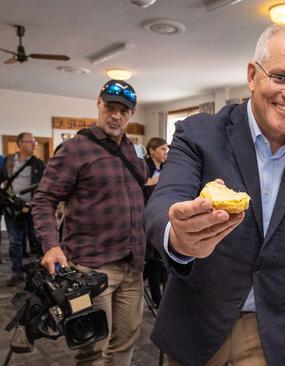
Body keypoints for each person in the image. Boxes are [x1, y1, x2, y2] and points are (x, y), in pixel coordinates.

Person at [144, 24, 285, 366]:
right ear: (253, 75)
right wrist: (179, 235)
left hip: (270, 327)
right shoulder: (199, 133)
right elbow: (165, 202)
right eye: (280, 77)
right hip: (199, 319)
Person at [32, 79, 145, 365]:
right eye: (110, 107)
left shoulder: (133, 151)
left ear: (131, 113)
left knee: (126, 341)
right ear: (99, 104)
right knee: (92, 346)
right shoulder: (75, 150)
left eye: (123, 110)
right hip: (91, 268)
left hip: (133, 267)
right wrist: (51, 246)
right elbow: (43, 199)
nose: (115, 115)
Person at [1, 133, 45, 286]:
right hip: (12, 209)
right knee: (15, 242)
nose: (34, 144)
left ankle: (41, 274)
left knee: (39, 242)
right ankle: (17, 273)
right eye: (31, 141)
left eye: (35, 142)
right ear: (20, 143)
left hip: (33, 209)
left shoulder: (38, 163)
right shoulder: (7, 162)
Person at [143, 137, 169, 307]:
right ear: (152, 151)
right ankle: (157, 299)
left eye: (167, 149)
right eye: (162, 149)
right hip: (147, 218)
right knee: (154, 262)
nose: (166, 153)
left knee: (165, 262)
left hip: (164, 216)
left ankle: (166, 299)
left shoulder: (168, 168)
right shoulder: (144, 167)